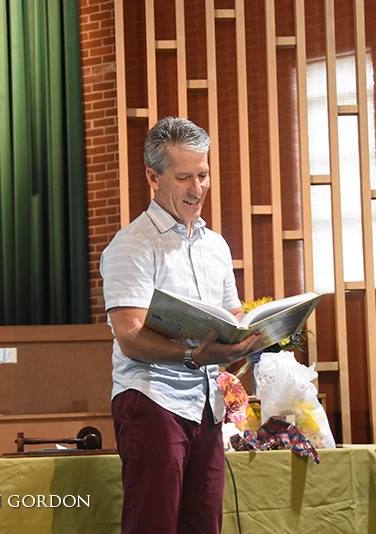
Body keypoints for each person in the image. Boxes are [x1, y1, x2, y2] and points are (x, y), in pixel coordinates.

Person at [100, 117, 261, 534]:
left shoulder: (216, 245)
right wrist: (192, 355)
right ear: (153, 177)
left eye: (203, 175)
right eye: (184, 177)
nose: (197, 188)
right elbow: (130, 336)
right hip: (152, 400)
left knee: (204, 525)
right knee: (153, 525)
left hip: (207, 405)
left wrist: (253, 336)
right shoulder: (132, 244)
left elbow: (232, 314)